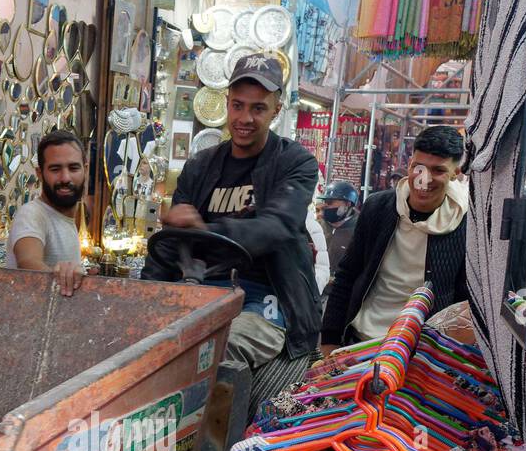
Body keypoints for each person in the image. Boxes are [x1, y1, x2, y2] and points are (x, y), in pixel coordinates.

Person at [142, 53, 321, 369]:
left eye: (258, 108)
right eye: (238, 105)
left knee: (220, 349)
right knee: (146, 346)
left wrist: (204, 231)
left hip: (267, 297)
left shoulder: (295, 163)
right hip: (203, 290)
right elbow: (170, 244)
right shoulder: (199, 166)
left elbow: (277, 227)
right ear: (227, 103)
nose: (245, 118)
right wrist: (146, 298)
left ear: (276, 111)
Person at [320, 125, 467, 355]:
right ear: (410, 164)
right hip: (360, 342)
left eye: (438, 170)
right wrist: (329, 340)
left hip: (423, 355)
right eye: (419, 167)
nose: (424, 179)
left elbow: (463, 299)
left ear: (455, 173)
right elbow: (347, 275)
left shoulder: (465, 223)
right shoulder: (378, 208)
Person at [6, 131, 87, 297]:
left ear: (85, 170)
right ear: (40, 173)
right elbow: (28, 262)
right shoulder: (31, 214)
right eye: (55, 169)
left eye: (73, 168)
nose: (65, 178)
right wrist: (63, 276)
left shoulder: (65, 217)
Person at [317, 180, 359, 280]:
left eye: (330, 202)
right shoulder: (319, 225)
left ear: (348, 204)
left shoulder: (359, 231)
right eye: (325, 201)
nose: (325, 206)